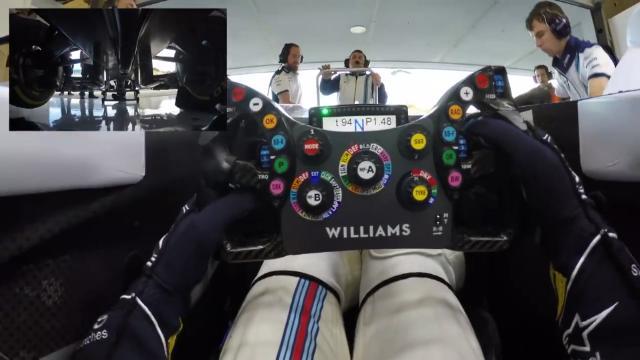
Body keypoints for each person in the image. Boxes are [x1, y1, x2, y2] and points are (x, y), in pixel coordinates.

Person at [72, 113, 640, 359]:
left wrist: (159, 287)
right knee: (410, 270)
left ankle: (329, 256)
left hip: (298, 259)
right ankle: (401, 254)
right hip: (422, 261)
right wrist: (574, 230)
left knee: (294, 269)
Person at [526, 1, 616, 100]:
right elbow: (561, 92)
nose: (537, 44)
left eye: (540, 35)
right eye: (534, 38)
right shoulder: (559, 68)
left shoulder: (592, 54)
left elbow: (598, 103)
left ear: (560, 27)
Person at [320, 49, 388, 104]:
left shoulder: (371, 78)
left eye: (360, 58)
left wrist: (379, 85)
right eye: (354, 57)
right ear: (349, 63)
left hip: (365, 117)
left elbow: (382, 101)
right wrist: (325, 79)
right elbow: (325, 91)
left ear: (364, 64)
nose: (357, 60)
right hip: (344, 117)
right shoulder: (340, 77)